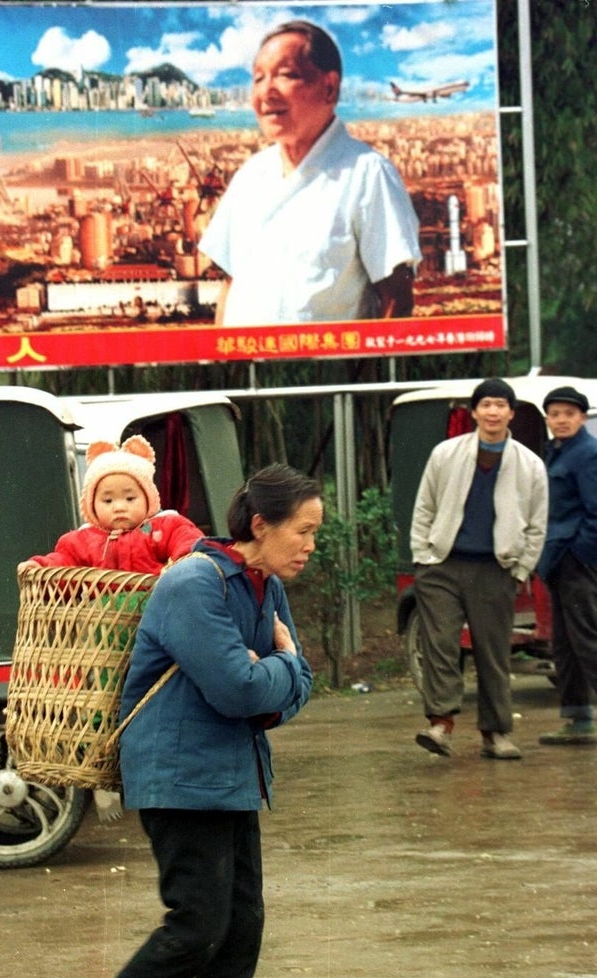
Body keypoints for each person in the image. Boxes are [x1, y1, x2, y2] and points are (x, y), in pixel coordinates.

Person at [72, 463, 322, 978]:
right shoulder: (194, 582)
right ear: (260, 525)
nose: (310, 545)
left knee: (241, 926)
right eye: (304, 530)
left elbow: (294, 682)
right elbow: (238, 688)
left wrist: (278, 673)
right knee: (200, 920)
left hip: (233, 774)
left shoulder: (263, 584)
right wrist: (280, 668)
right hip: (179, 774)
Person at [198, 19, 421, 327]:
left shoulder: (367, 174)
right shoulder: (250, 176)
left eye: (286, 75)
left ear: (329, 87)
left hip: (328, 371)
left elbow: (396, 300)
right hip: (246, 369)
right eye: (258, 78)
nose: (266, 92)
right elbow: (231, 287)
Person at [410, 378, 548, 760]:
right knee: (440, 645)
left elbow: (537, 524)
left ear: (511, 413)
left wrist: (521, 569)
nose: (492, 412)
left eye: (500, 405)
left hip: (495, 569)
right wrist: (422, 554)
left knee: (493, 652)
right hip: (442, 566)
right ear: (473, 412)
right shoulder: (446, 454)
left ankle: (496, 732)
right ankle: (441, 724)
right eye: (485, 404)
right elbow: (425, 507)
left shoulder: (529, 464)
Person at [20, 435, 203, 575]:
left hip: (154, 607)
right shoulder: (83, 540)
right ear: (92, 505)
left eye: (130, 498)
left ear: (149, 499)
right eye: (108, 501)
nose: (119, 507)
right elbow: (62, 561)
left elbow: (188, 540)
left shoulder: (163, 527)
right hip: (100, 616)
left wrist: (182, 562)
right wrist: (41, 566)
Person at [536, 386, 597, 745]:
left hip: (578, 560)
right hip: (557, 559)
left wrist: (582, 553)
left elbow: (595, 510)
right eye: (555, 414)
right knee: (564, 644)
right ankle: (578, 720)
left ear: (582, 418)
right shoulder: (555, 452)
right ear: (548, 419)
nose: (561, 420)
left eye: (568, 414)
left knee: (587, 639)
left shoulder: (587, 453)